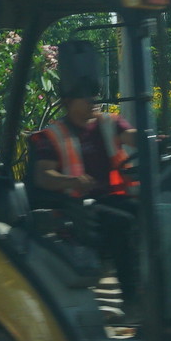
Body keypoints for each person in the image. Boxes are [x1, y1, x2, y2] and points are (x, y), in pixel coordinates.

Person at [27, 80, 138, 297]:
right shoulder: (52, 135)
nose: (93, 101)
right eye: (86, 96)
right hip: (79, 207)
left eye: (94, 95)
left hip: (115, 198)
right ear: (68, 102)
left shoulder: (109, 123)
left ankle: (148, 285)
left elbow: (131, 136)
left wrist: (151, 139)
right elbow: (43, 176)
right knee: (122, 222)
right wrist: (72, 181)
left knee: (149, 210)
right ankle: (131, 296)